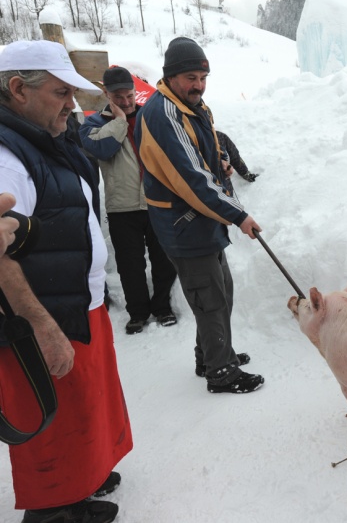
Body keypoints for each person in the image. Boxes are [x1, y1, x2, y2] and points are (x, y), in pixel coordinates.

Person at [0, 40, 132, 523]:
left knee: (85, 407)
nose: (72, 105)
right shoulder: (7, 158)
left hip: (74, 302)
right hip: (44, 315)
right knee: (55, 420)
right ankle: (56, 510)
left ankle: (82, 480)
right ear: (18, 89)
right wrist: (40, 325)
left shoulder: (43, 139)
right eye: (61, 93)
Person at [135, 37, 264, 394]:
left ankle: (210, 354)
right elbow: (193, 179)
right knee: (210, 298)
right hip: (184, 225)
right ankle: (220, 372)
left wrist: (220, 163)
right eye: (191, 77)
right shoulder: (162, 115)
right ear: (171, 76)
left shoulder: (194, 107)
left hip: (201, 220)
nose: (199, 85)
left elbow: (205, 154)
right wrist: (239, 215)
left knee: (220, 291)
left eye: (203, 77)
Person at [80, 66, 178, 335]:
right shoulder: (93, 124)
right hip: (122, 206)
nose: (125, 101)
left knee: (162, 259)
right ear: (106, 94)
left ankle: (162, 307)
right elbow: (101, 148)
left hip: (156, 202)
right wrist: (121, 120)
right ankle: (138, 313)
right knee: (129, 264)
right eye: (118, 96)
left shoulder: (150, 118)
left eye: (129, 95)